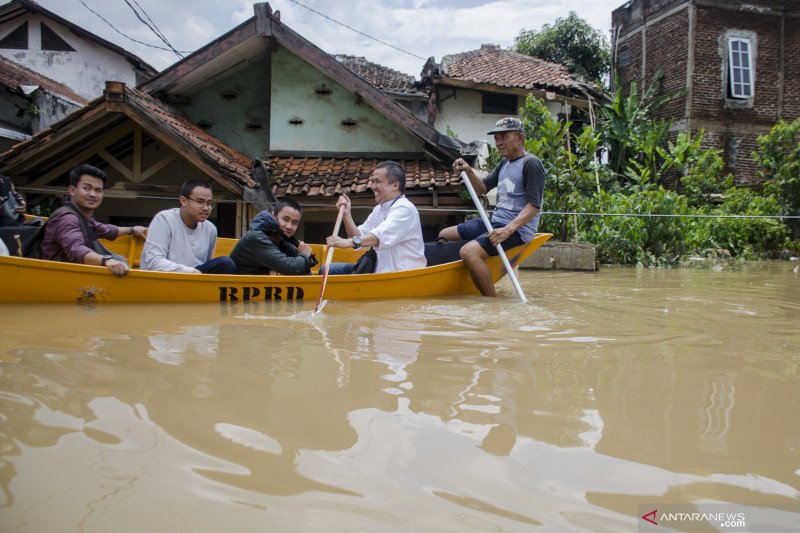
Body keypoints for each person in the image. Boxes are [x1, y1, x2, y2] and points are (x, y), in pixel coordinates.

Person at [438, 117, 545, 296]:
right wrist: (468, 170)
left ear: (519, 138)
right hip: (495, 222)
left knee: (468, 252)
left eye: (503, 137)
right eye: (496, 138)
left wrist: (507, 230)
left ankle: (492, 302)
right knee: (444, 234)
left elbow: (534, 206)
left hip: (516, 231)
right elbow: (482, 188)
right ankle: (452, 276)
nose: (499, 142)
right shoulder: (504, 163)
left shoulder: (531, 163)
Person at [40, 164, 147, 277]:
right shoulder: (67, 218)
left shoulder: (83, 217)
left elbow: (105, 230)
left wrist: (132, 229)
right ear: (72, 190)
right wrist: (106, 260)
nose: (93, 194)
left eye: (98, 190)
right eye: (86, 188)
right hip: (57, 279)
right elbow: (76, 248)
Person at [324, 160, 425, 274]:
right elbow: (358, 237)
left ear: (395, 185)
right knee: (326, 270)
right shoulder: (379, 209)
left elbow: (378, 237)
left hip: (401, 277)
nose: (373, 186)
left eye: (377, 182)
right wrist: (347, 215)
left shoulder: (405, 209)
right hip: (377, 272)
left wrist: (347, 242)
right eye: (373, 181)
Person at [140, 179, 236, 274]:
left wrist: (194, 273)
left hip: (196, 278)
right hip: (165, 279)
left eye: (209, 203)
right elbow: (153, 262)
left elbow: (207, 264)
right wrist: (191, 271)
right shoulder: (164, 220)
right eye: (200, 202)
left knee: (226, 264)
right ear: (183, 201)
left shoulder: (210, 229)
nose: (206, 208)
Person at [230, 199, 317, 275]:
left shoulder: (280, 238)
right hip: (237, 288)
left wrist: (276, 267)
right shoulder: (258, 237)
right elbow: (291, 267)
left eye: (294, 222)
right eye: (285, 219)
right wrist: (305, 253)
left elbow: (305, 265)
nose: (289, 226)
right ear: (274, 215)